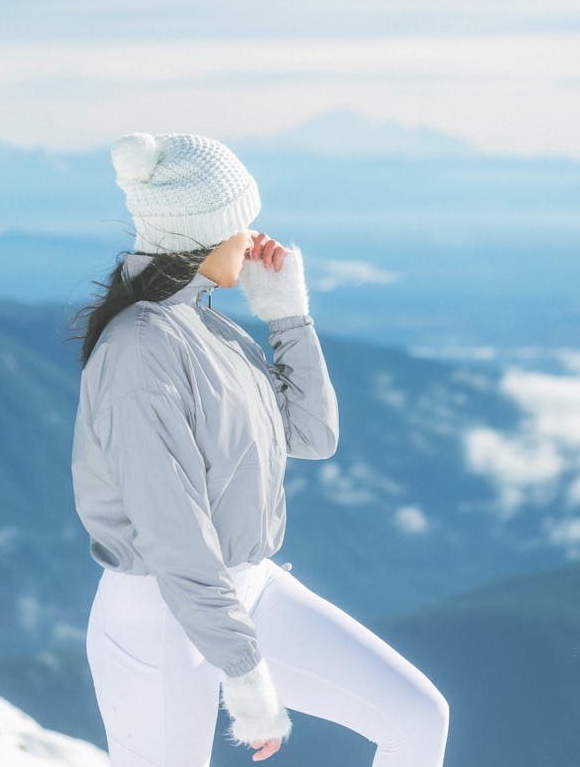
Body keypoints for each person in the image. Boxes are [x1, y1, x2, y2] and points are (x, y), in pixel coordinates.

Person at [70, 131, 449, 766]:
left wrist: (287, 314)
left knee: (417, 716)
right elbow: (172, 530)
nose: (253, 239)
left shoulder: (209, 328)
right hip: (164, 613)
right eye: (242, 223)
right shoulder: (140, 348)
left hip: (247, 588)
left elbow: (312, 435)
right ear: (205, 231)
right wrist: (245, 672)